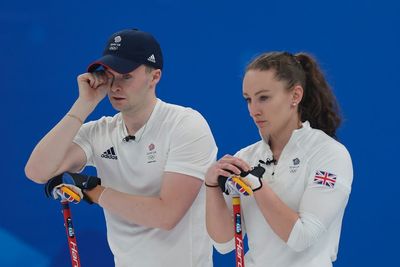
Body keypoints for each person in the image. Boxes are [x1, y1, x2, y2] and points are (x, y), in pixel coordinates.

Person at [25, 28, 217, 267]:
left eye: (126, 76)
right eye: (109, 76)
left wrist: (91, 191)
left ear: (154, 76)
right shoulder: (100, 131)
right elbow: (37, 172)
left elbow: (166, 215)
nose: (114, 86)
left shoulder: (185, 124)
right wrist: (83, 105)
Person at [205, 52, 353, 267]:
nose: (254, 110)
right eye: (248, 99)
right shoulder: (246, 157)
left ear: (295, 96)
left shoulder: (329, 154)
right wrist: (211, 186)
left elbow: (302, 237)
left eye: (264, 97)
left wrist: (258, 186)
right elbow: (224, 242)